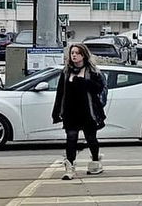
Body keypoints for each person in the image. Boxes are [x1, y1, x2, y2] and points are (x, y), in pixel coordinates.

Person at [51, 43, 106, 180]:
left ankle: (95, 161)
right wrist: (56, 111)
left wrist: (83, 82)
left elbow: (99, 89)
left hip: (88, 111)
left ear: (84, 55)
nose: (74, 55)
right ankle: (70, 168)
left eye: (77, 53)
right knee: (71, 139)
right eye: (72, 53)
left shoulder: (92, 71)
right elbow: (60, 93)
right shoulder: (65, 72)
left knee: (91, 138)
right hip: (71, 112)